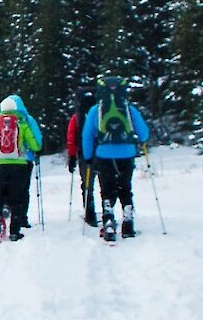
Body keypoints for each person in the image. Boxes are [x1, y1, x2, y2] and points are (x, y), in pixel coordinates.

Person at [79, 75, 151, 241]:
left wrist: (88, 157)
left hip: (104, 154)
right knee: (125, 188)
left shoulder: (95, 110)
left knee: (107, 189)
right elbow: (144, 134)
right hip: (127, 153)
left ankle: (108, 220)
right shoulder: (128, 109)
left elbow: (87, 136)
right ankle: (128, 221)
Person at [0, 95, 43, 241]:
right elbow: (35, 145)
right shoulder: (22, 123)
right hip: (19, 164)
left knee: (0, 192)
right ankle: (14, 231)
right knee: (17, 196)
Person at [64, 88, 97, 227]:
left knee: (87, 184)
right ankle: (108, 210)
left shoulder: (76, 118)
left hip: (84, 154)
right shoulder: (99, 113)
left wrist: (71, 157)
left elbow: (71, 138)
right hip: (101, 153)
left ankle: (90, 213)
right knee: (105, 184)